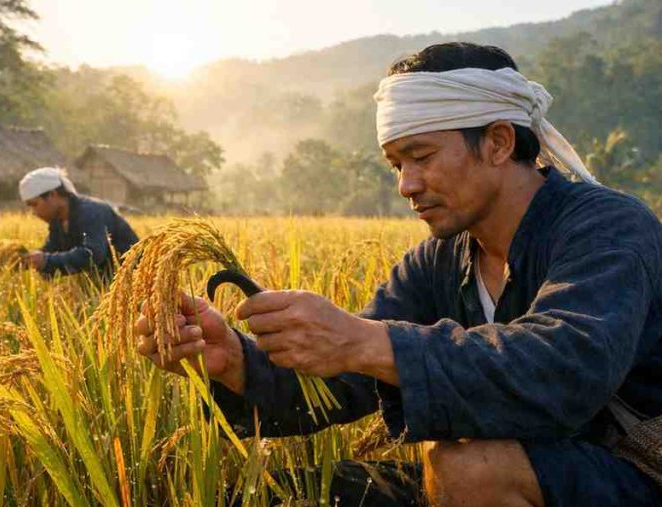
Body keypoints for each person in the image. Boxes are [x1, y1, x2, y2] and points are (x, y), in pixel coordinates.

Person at [135, 42, 662, 507]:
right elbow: (344, 381)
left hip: (633, 471)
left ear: (500, 142)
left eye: (421, 156)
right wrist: (233, 362)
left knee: (468, 469)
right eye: (395, 165)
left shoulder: (607, 228)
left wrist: (367, 341)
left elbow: (568, 368)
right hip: (536, 467)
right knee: (292, 489)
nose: (406, 185)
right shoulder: (439, 260)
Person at [18, 166, 139, 278]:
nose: (33, 211)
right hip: (106, 284)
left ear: (53, 195)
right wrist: (26, 260)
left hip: (133, 280)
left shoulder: (90, 212)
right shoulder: (58, 221)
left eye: (34, 204)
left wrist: (46, 261)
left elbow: (93, 254)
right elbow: (53, 248)